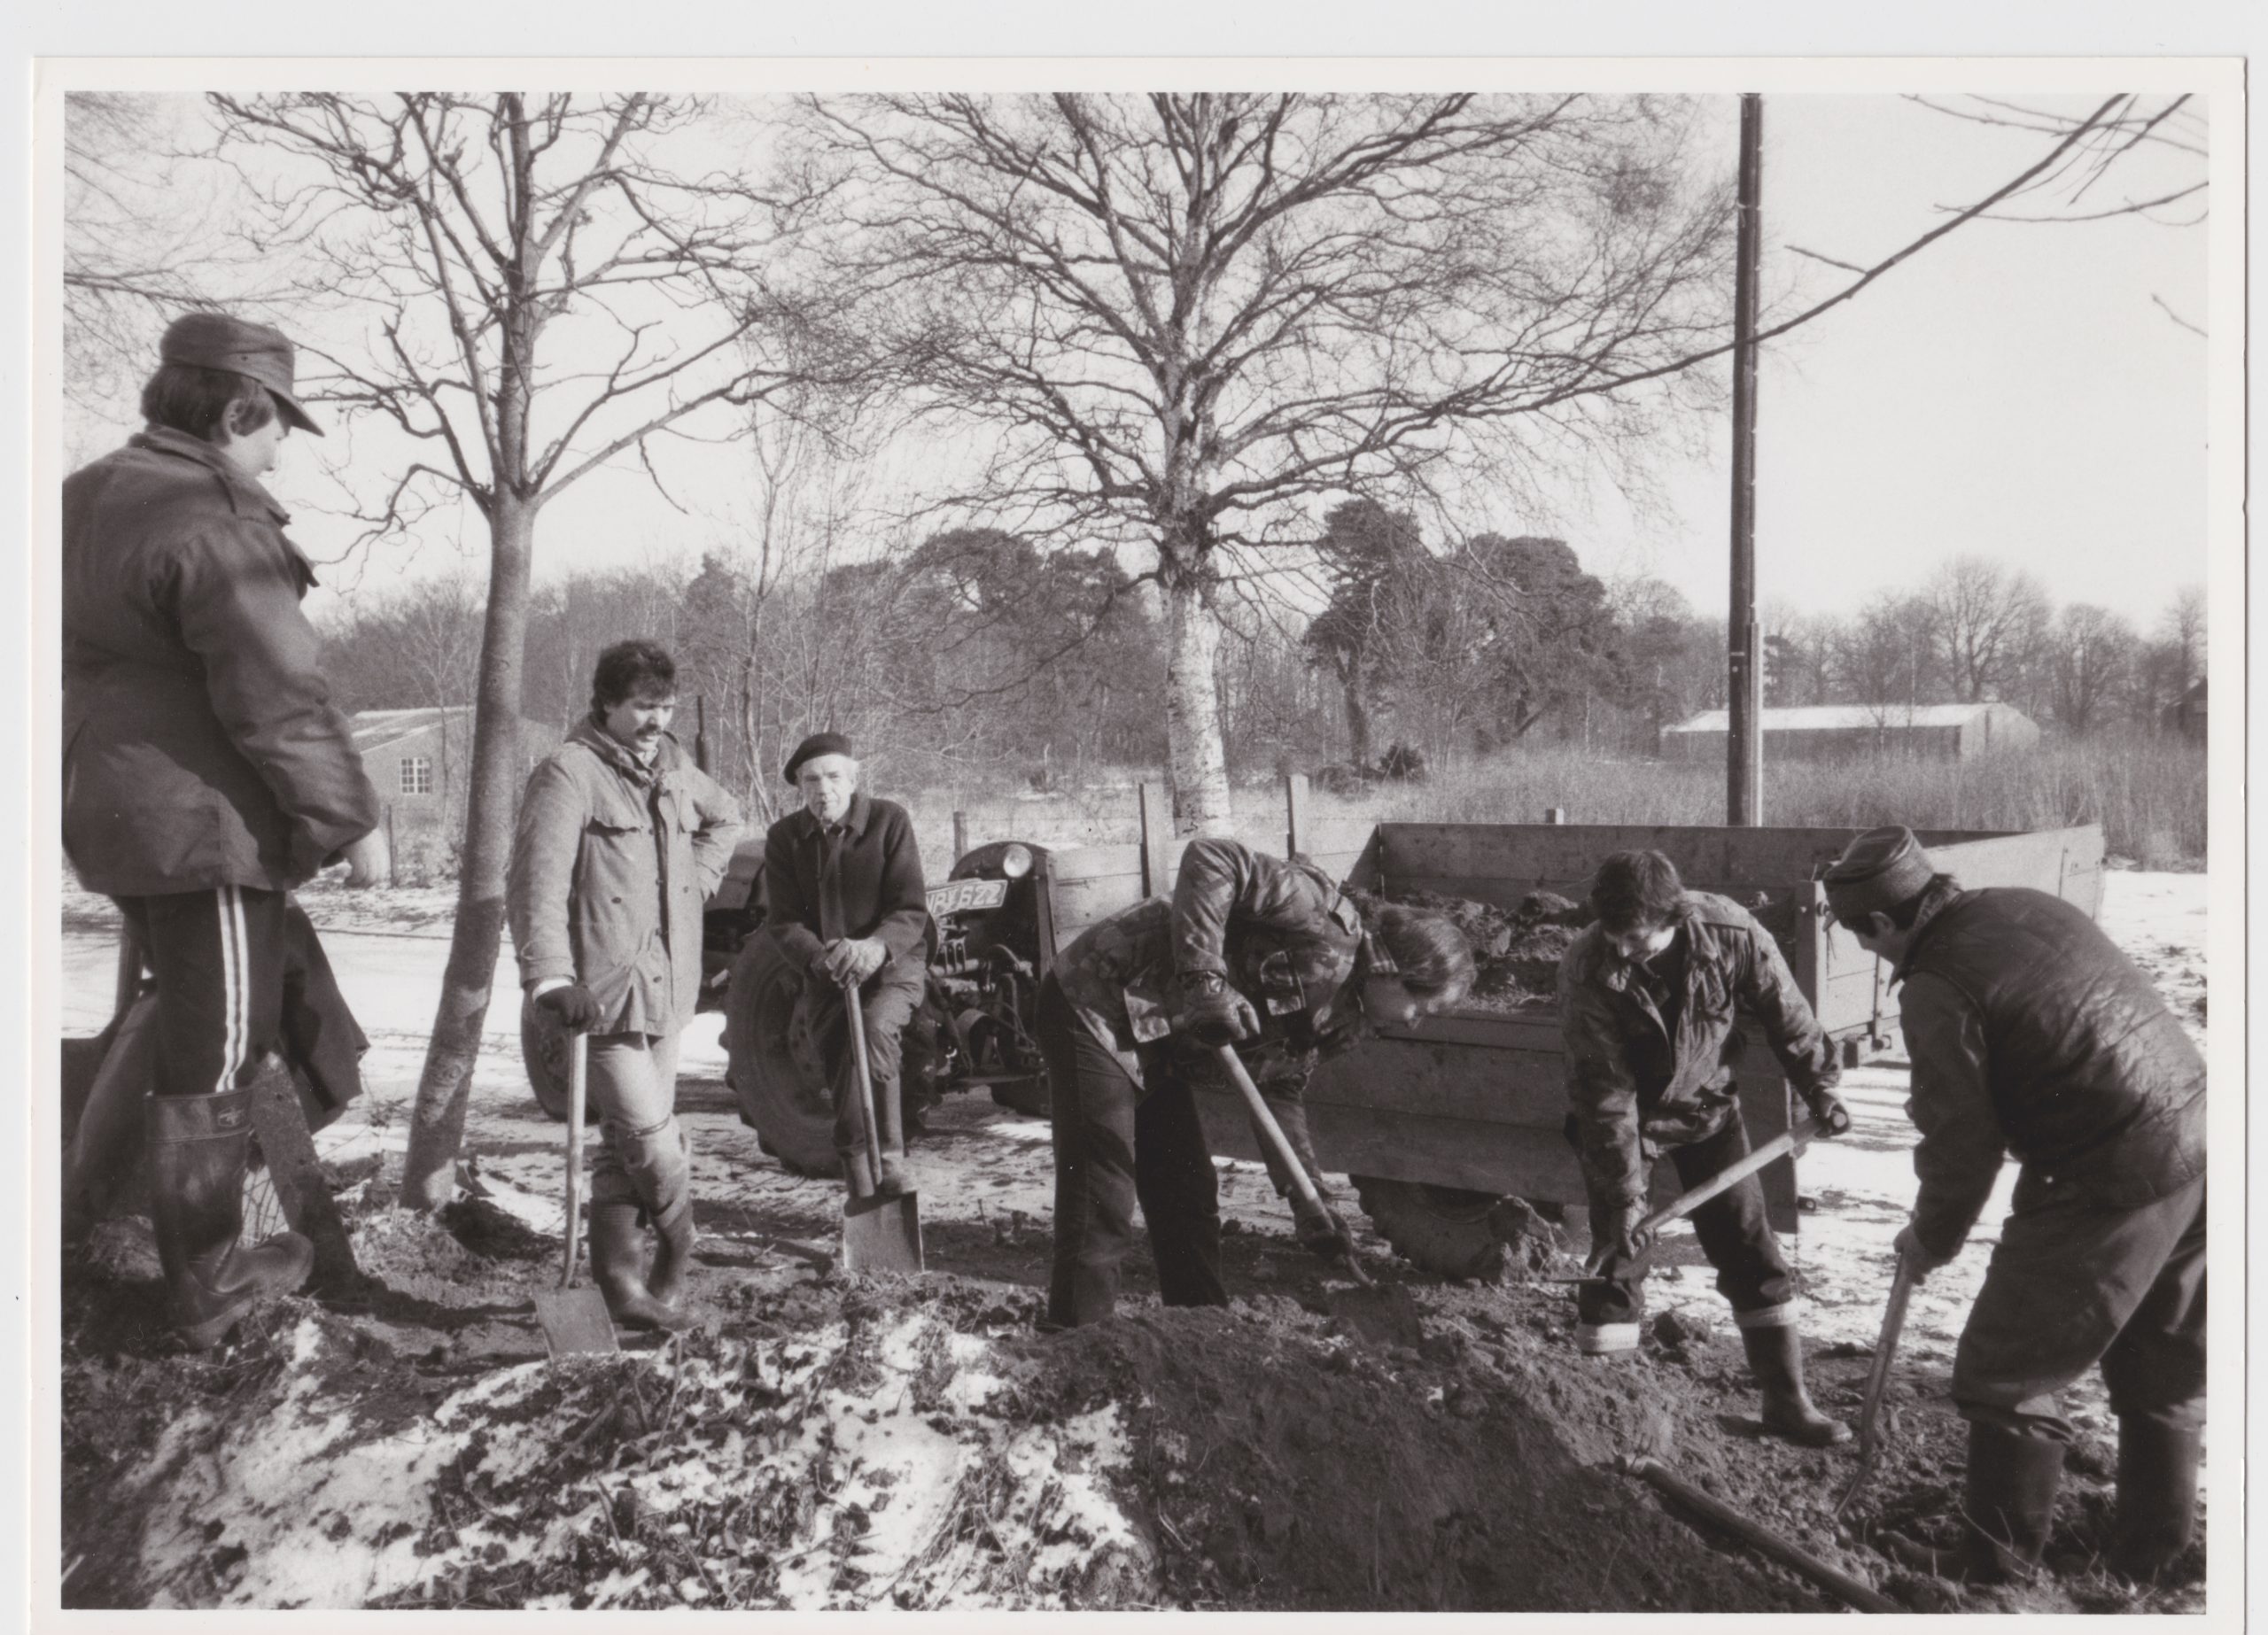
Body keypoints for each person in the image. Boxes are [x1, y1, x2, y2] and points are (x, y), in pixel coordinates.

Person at [63, 311, 384, 1350]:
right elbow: (278, 691)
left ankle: (96, 1224)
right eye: (278, 424)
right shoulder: (211, 516)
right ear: (239, 409)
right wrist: (349, 818)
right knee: (222, 1044)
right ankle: (209, 1282)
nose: (281, 447)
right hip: (202, 829)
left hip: (115, 812)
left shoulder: (86, 495)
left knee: (185, 1017)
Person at [1824, 826, 2206, 1585]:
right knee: (2160, 1365)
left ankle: (1995, 1569)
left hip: (2108, 1177)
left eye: (1866, 939)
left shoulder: (1936, 984)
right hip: (2202, 1138)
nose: (1875, 955)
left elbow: (1963, 1142)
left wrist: (1932, 1237)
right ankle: (2148, 1562)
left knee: (2006, 1369)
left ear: (1883, 922)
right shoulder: (2022, 904)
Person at [1039, 835, 1476, 1329]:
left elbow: (1281, 1087)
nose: (1417, 1021)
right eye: (1423, 1006)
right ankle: (1074, 1341)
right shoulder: (1320, 918)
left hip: (1159, 1039)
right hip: (1097, 997)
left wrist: (1309, 1197)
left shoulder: (1349, 1020)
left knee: (1187, 1193)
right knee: (1103, 1190)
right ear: (1397, 971)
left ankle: (1203, 1336)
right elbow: (1212, 857)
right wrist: (1205, 981)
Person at [1557, 849, 1853, 1446]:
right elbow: (1605, 1093)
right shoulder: (1587, 964)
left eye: (1637, 940)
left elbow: (1788, 1015)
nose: (1623, 951)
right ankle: (1609, 1419)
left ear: (1675, 916)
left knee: (1750, 1248)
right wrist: (1626, 1197)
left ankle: (1786, 1402)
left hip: (1707, 1111)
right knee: (1617, 1256)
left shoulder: (1730, 932)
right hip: (1626, 1123)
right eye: (1615, 937)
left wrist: (1821, 1088)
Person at [509, 641, 742, 1332]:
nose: (656, 721)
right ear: (606, 703)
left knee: (622, 1146)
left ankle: (620, 1288)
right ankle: (680, 1241)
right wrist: (550, 977)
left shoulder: (675, 770)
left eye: (665, 707)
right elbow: (535, 884)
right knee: (648, 1139)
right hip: (601, 994)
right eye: (642, 707)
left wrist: (695, 885)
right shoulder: (568, 773)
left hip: (668, 986)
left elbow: (726, 817)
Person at [760, 733, 930, 1197]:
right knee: (839, 1059)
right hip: (828, 972)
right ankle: (860, 1178)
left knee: (874, 1029)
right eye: (812, 780)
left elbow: (910, 908)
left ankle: (889, 1162)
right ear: (800, 786)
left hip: (892, 962)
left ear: (854, 780)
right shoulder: (785, 839)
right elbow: (784, 922)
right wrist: (821, 959)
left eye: (834, 777)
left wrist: (875, 947)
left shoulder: (888, 822)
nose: (824, 790)